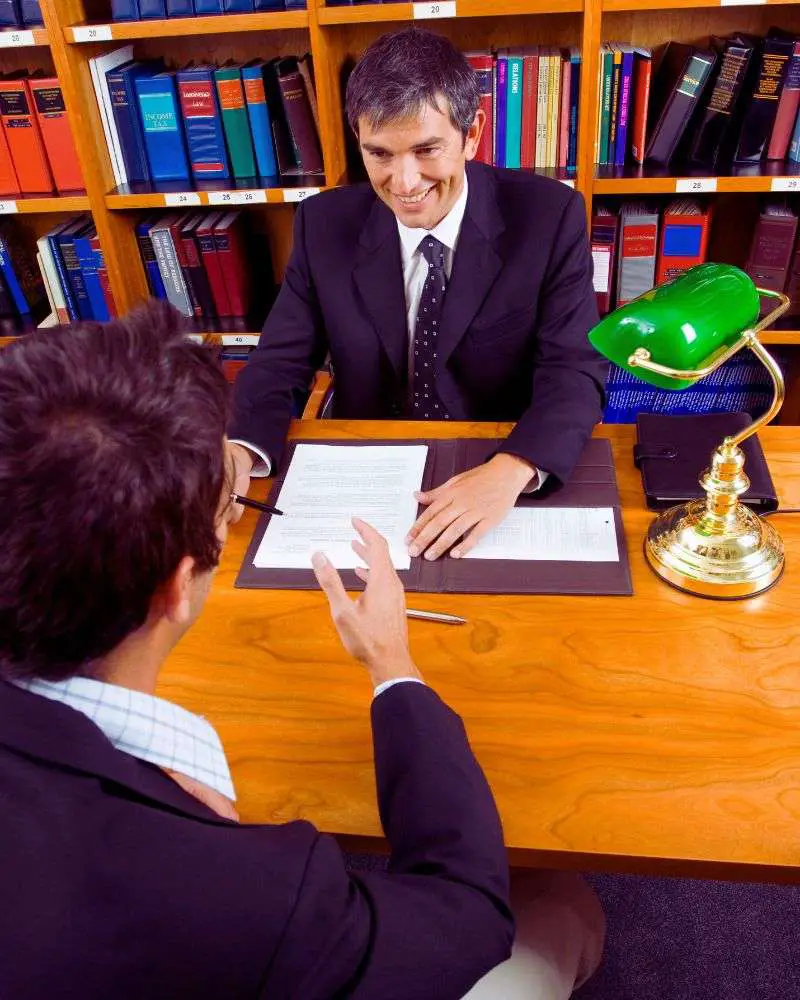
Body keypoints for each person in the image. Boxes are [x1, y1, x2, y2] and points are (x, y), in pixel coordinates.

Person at [0, 302, 603, 999]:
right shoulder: (250, 894)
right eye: (229, 510)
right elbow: (466, 918)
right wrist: (395, 671)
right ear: (175, 587)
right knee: (559, 907)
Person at [230, 26, 608, 561]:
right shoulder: (323, 223)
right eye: (379, 154)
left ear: (471, 134)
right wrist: (240, 449)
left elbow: (575, 370)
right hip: (366, 470)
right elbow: (279, 364)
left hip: (497, 458)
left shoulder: (549, 217)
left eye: (427, 149)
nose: (404, 183)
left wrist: (512, 468)